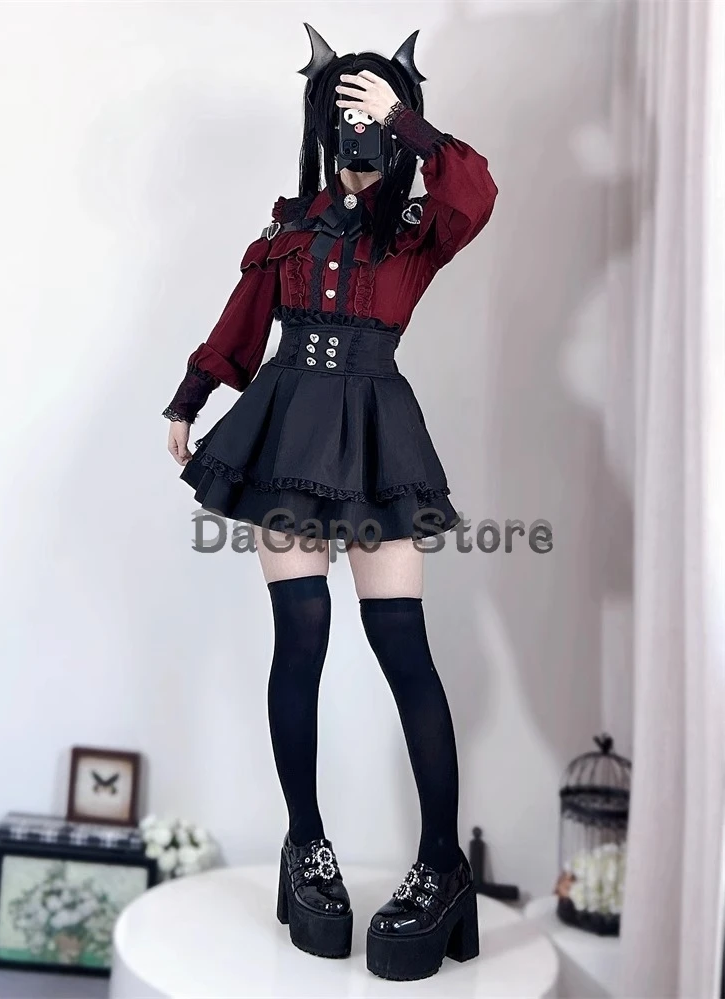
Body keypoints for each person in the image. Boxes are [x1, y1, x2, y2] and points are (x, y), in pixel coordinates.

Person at [163, 23, 497, 982]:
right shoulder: (291, 228)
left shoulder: (419, 226)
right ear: (322, 126)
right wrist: (190, 398)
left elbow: (476, 193)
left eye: (375, 120)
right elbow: (242, 322)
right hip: (286, 436)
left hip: (378, 437)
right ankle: (305, 845)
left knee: (402, 646)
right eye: (348, 118)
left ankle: (442, 863)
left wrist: (411, 123)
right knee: (300, 639)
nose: (361, 137)